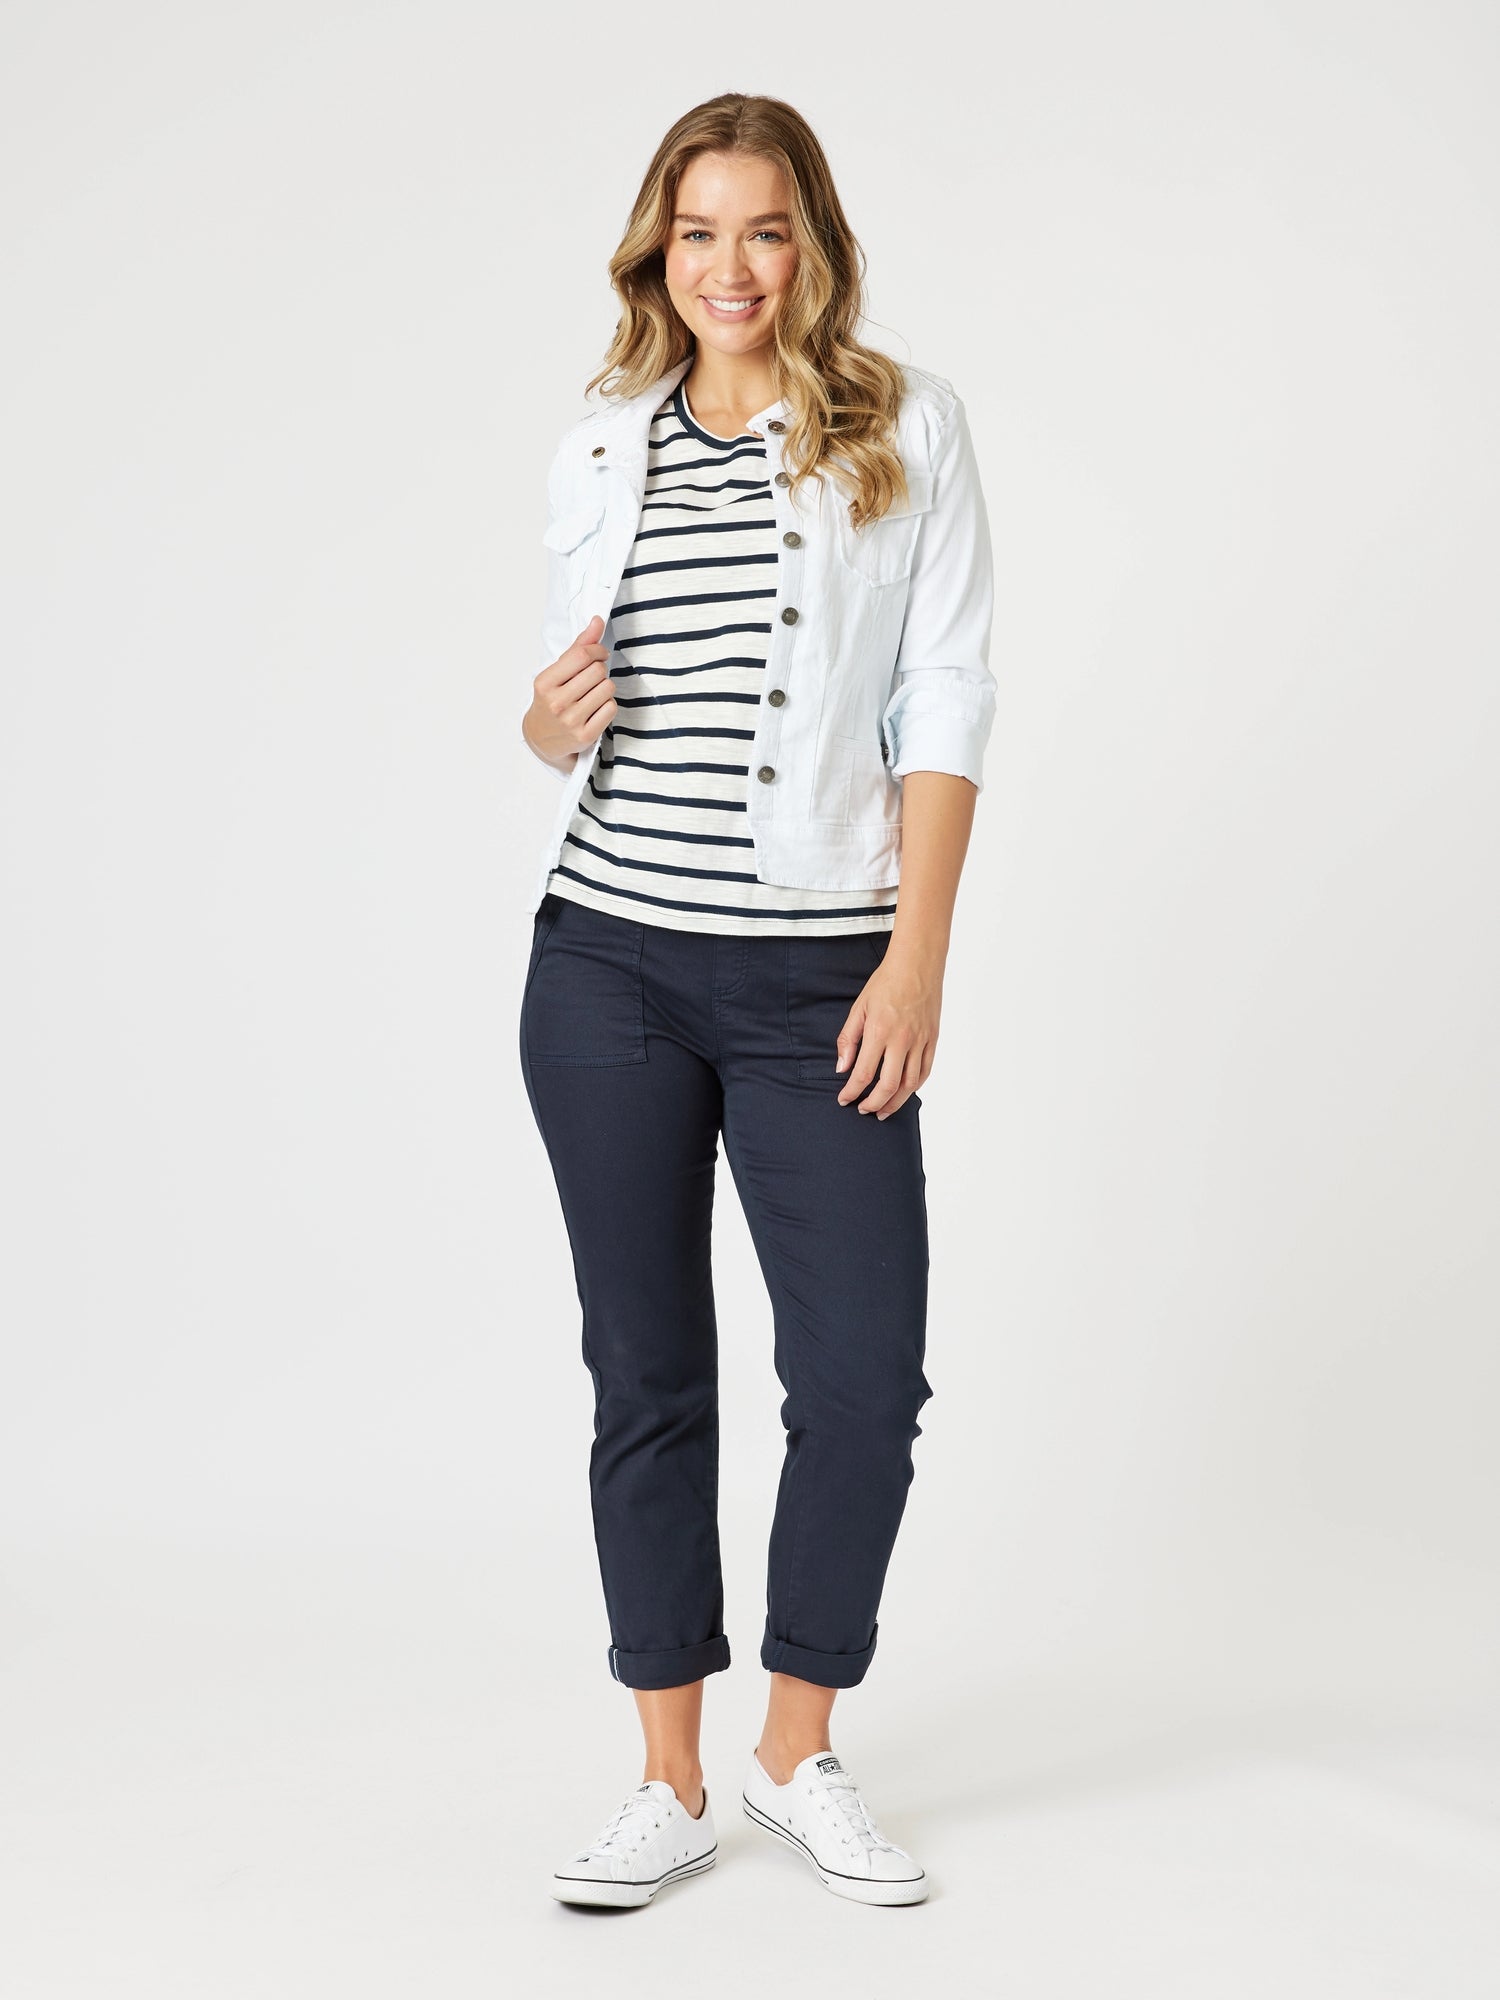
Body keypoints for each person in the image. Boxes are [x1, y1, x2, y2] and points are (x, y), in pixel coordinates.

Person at [517, 91, 995, 1910]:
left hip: (821, 975)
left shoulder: (905, 425)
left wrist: (915, 955)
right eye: (699, 231)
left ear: (814, 247)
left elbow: (945, 695)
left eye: (766, 230)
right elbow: (572, 707)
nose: (732, 266)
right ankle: (668, 1777)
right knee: (645, 1373)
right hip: (607, 961)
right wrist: (538, 723)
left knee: (863, 1377)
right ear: (660, 251)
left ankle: (798, 1751)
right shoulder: (598, 447)